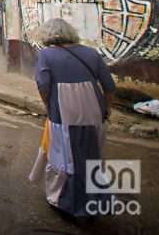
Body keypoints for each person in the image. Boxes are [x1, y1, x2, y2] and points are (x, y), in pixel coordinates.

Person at [29, 18, 116, 220]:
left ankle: (68, 202)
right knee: (93, 157)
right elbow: (109, 86)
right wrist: (106, 107)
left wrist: (49, 106)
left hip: (63, 112)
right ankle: (97, 201)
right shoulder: (91, 53)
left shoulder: (47, 55)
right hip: (94, 111)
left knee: (66, 159)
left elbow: (43, 86)